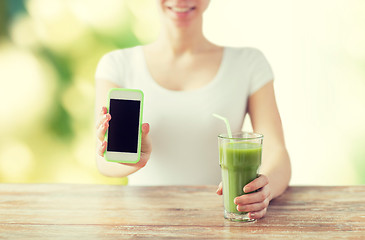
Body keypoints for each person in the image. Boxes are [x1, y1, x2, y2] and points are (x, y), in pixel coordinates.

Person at [95, 0, 291, 220]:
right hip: (142, 223)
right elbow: (103, 160)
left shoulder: (248, 63)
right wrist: (134, 160)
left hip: (219, 221)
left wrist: (265, 189)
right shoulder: (117, 64)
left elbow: (277, 152)